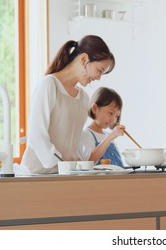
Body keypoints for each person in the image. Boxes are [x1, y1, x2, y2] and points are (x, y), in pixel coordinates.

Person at [21, 35, 115, 174]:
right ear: (84, 59)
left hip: (65, 175)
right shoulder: (49, 85)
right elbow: (37, 136)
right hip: (37, 175)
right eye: (99, 70)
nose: (98, 77)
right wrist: (63, 165)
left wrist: (79, 167)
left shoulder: (83, 98)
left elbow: (71, 146)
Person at [79, 87, 126, 166]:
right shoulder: (86, 134)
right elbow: (90, 160)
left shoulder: (107, 135)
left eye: (116, 116)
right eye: (111, 113)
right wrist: (111, 136)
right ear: (95, 109)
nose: (113, 120)